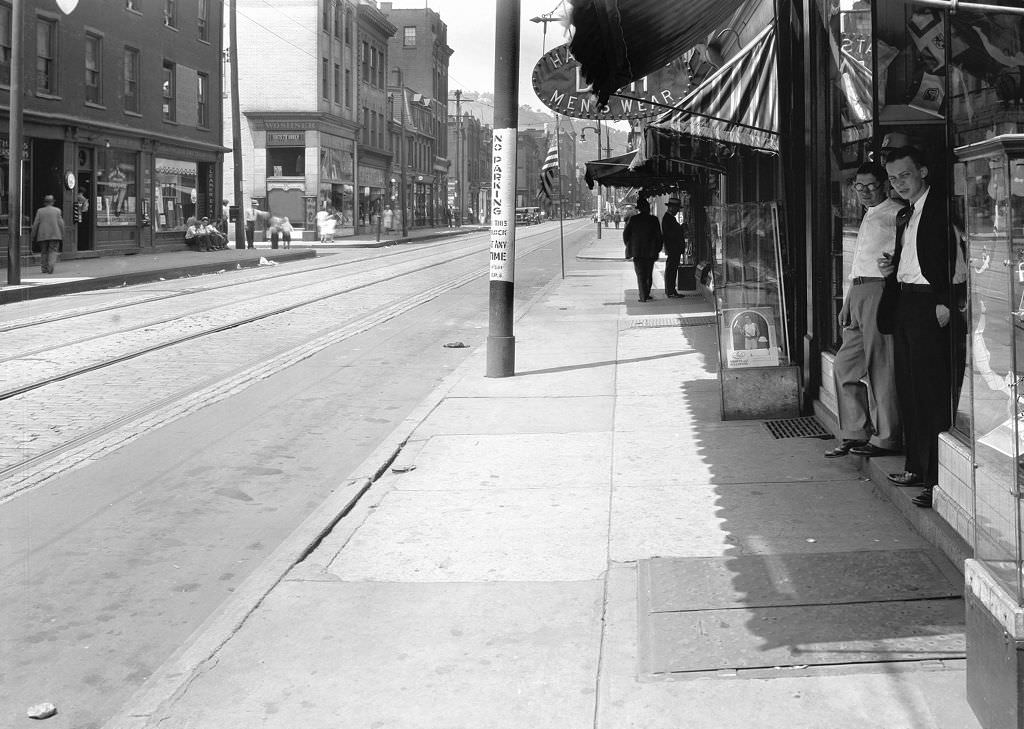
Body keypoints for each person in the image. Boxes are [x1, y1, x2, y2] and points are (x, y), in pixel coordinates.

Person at [877, 146, 959, 509]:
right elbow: (915, 256)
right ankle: (915, 466)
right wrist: (892, 269)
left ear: (923, 171)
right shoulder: (905, 213)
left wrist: (945, 299)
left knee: (931, 392)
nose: (900, 184)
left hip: (930, 304)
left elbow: (951, 255)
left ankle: (936, 480)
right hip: (905, 302)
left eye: (905, 175)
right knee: (908, 388)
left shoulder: (940, 208)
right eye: (893, 179)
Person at [825, 162, 904, 460]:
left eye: (871, 186)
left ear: (885, 184)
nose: (866, 192)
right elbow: (859, 261)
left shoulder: (897, 214)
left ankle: (887, 437)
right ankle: (856, 431)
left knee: (881, 367)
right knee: (845, 365)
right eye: (859, 187)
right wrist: (848, 300)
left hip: (880, 291)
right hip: (859, 291)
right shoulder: (869, 215)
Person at [622, 197, 662, 302]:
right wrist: (657, 249)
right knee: (648, 273)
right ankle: (646, 293)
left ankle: (643, 296)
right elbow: (659, 237)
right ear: (648, 208)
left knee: (640, 274)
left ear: (639, 209)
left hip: (637, 252)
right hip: (650, 252)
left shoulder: (634, 220)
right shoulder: (654, 220)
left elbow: (626, 235)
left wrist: (630, 245)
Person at [30, 194, 64, 274]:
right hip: (55, 235)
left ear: (45, 203)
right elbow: (61, 223)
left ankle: (44, 268)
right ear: (52, 202)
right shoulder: (57, 211)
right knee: (52, 251)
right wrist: (62, 233)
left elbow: (35, 224)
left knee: (44, 252)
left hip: (43, 235)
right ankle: (51, 266)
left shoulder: (40, 211)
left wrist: (33, 235)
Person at [661, 195, 686, 298]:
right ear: (671, 208)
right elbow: (671, 234)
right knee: (671, 270)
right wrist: (681, 229)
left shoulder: (670, 218)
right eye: (676, 208)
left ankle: (671, 290)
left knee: (672, 269)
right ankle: (670, 290)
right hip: (673, 248)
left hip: (674, 248)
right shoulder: (668, 219)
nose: (677, 211)